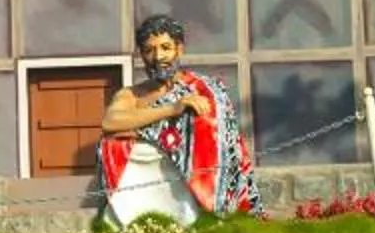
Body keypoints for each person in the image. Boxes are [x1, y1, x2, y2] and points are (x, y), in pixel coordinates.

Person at [98, 14, 257, 220]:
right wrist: (173, 109)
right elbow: (110, 123)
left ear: (179, 49)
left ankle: (211, 211)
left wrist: (139, 126)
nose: (158, 57)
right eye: (149, 50)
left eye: (165, 47)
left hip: (199, 185)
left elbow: (216, 131)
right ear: (142, 55)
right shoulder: (131, 94)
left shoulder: (203, 89)